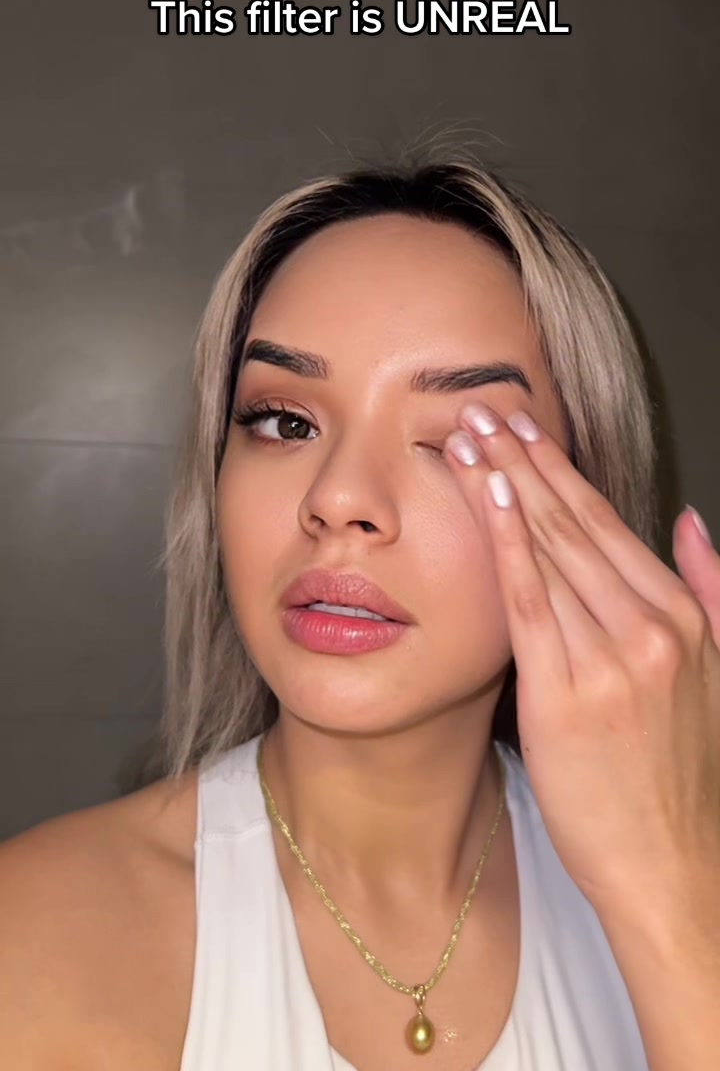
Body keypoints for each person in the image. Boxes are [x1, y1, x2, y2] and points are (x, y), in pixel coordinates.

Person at [1, 155, 718, 1071]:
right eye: (285, 422)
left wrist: (674, 896)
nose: (337, 499)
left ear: (589, 507)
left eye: (457, 441)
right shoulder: (34, 939)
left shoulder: (691, 888)